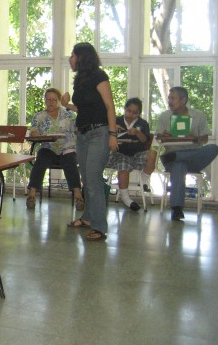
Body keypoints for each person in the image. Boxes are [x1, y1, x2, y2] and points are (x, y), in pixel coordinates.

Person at [61, 43, 118, 242]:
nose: (70, 59)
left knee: (93, 180)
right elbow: (84, 109)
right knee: (86, 179)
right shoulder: (79, 80)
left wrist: (112, 134)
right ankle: (87, 217)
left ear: (82, 57)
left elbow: (110, 106)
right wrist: (66, 105)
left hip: (100, 133)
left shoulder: (99, 76)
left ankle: (100, 227)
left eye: (73, 55)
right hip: (83, 134)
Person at [156, 86, 218, 221]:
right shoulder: (165, 116)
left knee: (214, 148)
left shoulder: (198, 115)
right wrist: (164, 136)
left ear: (183, 100)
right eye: (169, 98)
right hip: (173, 159)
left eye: (173, 98)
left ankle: (177, 156)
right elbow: (158, 137)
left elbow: (204, 139)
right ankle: (177, 209)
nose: (169, 101)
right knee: (179, 165)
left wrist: (194, 138)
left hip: (193, 159)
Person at [26, 88, 84, 211]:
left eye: (54, 100)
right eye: (48, 100)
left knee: (70, 160)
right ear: (44, 100)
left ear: (59, 101)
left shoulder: (69, 115)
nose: (51, 102)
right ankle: (31, 195)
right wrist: (35, 134)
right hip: (49, 149)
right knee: (41, 157)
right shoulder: (39, 116)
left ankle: (78, 196)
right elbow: (33, 133)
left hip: (67, 148)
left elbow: (78, 131)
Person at [106, 97, 157, 211]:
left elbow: (145, 140)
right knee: (123, 166)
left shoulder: (143, 124)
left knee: (153, 154)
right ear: (125, 109)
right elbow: (106, 137)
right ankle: (126, 198)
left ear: (139, 113)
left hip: (137, 154)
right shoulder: (116, 121)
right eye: (129, 111)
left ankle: (142, 181)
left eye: (135, 113)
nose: (131, 115)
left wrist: (137, 132)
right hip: (120, 153)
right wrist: (112, 129)